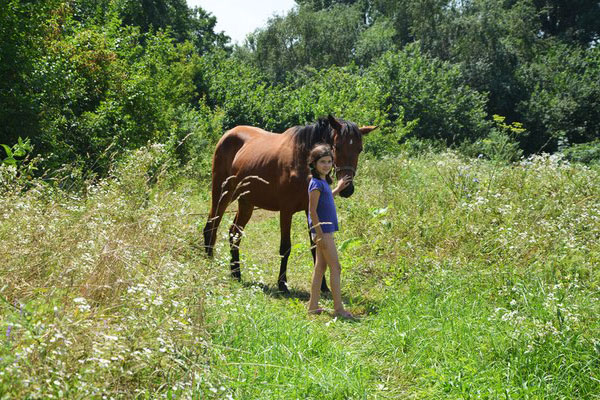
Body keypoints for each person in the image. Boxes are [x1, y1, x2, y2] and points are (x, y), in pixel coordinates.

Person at [306, 144, 354, 319]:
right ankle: (339, 308)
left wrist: (338, 189)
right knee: (336, 267)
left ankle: (312, 306)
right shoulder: (316, 183)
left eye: (329, 162)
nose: (326, 165)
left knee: (320, 268)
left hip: (324, 230)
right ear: (314, 163)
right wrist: (319, 235)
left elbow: (325, 199)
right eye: (322, 162)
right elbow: (312, 210)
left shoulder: (322, 182)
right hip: (322, 231)